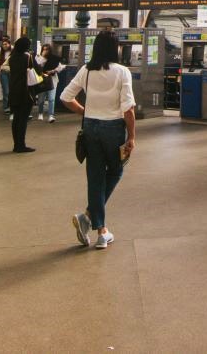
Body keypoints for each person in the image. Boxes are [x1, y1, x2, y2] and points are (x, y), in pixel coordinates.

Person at [61, 30, 135, 250]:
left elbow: (66, 97)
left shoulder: (86, 70)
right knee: (116, 171)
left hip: (90, 127)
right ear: (115, 48)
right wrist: (132, 136)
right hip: (113, 127)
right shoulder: (122, 71)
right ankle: (92, 222)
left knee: (95, 177)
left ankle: (99, 227)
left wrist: (84, 111)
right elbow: (128, 109)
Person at [7, 36, 36, 153]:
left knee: (16, 119)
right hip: (25, 91)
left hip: (14, 90)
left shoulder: (11, 58)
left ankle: (16, 144)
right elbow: (36, 70)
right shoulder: (27, 57)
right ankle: (21, 145)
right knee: (23, 120)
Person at [33, 42, 60, 122]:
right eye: (44, 50)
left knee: (51, 98)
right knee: (41, 99)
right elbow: (37, 66)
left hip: (52, 79)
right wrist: (42, 56)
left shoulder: (53, 58)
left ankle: (51, 115)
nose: (45, 51)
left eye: (47, 50)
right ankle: (40, 113)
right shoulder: (38, 58)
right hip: (42, 80)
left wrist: (53, 70)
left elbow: (60, 66)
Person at [0, 38, 13, 114]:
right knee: (6, 90)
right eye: (3, 44)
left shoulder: (13, 51)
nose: (4, 46)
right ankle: (6, 107)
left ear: (9, 44)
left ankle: (11, 106)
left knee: (12, 90)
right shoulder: (0, 51)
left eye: (6, 44)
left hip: (12, 72)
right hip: (3, 72)